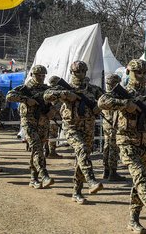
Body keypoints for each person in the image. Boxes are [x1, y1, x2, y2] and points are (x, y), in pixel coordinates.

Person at [98, 59, 146, 233]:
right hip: (126, 141)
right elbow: (102, 101)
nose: (141, 76)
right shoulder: (122, 93)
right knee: (140, 176)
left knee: (140, 181)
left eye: (144, 73)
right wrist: (126, 104)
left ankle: (133, 220)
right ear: (129, 72)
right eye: (137, 72)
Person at [44, 61, 104, 205]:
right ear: (72, 73)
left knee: (82, 157)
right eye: (77, 72)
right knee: (82, 149)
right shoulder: (65, 88)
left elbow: (106, 99)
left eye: (83, 71)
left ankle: (77, 191)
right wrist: (64, 94)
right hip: (71, 127)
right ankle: (91, 180)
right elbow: (47, 95)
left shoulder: (93, 89)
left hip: (88, 128)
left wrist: (98, 107)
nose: (80, 74)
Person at [6, 65, 55, 189]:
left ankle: (33, 178)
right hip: (29, 122)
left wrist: (52, 111)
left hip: (43, 123)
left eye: (43, 75)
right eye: (38, 75)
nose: (41, 77)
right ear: (32, 75)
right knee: (37, 147)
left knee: (37, 150)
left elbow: (55, 102)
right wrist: (26, 99)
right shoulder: (25, 88)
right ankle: (44, 175)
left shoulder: (47, 89)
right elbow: (9, 96)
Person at [101, 73, 125, 181]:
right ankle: (112, 172)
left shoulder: (106, 96)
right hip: (113, 125)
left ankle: (106, 170)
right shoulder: (114, 97)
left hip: (107, 124)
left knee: (107, 147)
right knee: (113, 148)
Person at [46, 75, 62, 159]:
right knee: (53, 134)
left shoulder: (47, 90)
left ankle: (47, 151)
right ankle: (51, 152)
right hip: (54, 117)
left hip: (47, 117)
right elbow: (57, 105)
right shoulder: (56, 92)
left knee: (47, 134)